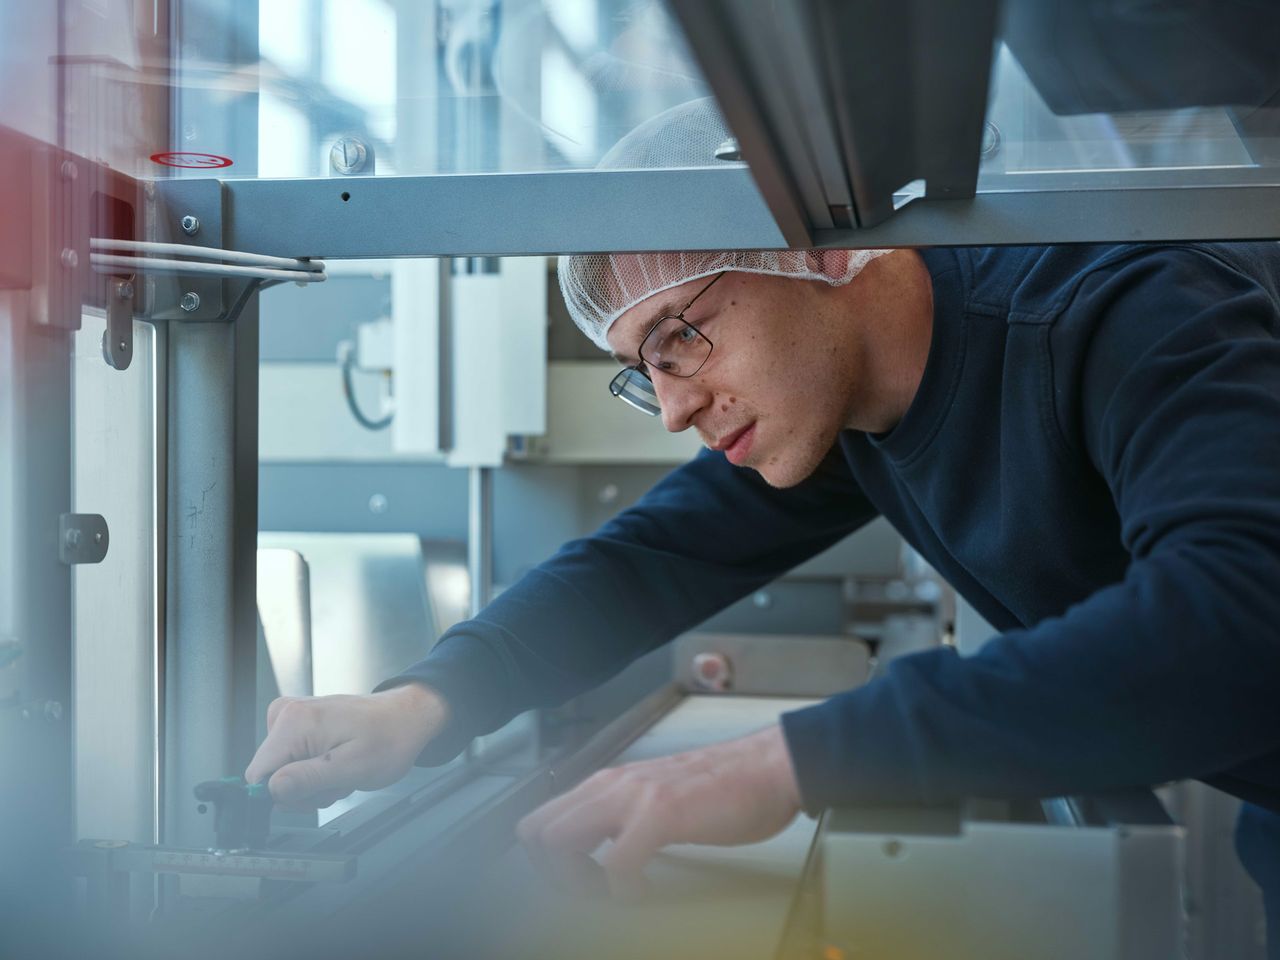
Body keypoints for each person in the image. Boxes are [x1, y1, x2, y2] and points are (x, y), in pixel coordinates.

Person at [245, 102, 1280, 951]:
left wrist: (784, 763)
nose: (678, 408)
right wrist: (425, 702)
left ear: (821, 253)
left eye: (679, 338)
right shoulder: (859, 399)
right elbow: (649, 558)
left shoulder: (1126, 307)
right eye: (644, 370)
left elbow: (1241, 616)